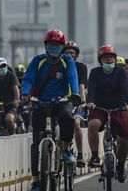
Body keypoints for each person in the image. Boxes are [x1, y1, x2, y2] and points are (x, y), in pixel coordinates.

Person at [21, 29, 80, 191]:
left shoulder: (67, 60)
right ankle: (37, 180)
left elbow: (72, 77)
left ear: (62, 46)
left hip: (62, 101)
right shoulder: (37, 61)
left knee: (68, 118)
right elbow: (28, 78)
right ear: (46, 46)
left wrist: (75, 94)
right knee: (36, 141)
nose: (54, 47)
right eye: (51, 44)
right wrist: (25, 93)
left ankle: (66, 149)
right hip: (40, 103)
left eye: (57, 45)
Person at [86, 45, 128, 183]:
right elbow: (92, 90)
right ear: (100, 60)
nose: (108, 60)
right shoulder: (95, 72)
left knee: (124, 138)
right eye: (105, 58)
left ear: (114, 59)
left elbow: (125, 90)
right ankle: (95, 156)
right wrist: (90, 102)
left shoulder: (121, 72)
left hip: (118, 108)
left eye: (111, 58)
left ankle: (120, 167)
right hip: (99, 107)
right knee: (93, 125)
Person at [64, 41, 88, 167]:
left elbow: (81, 85)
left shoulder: (81, 67)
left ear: (77, 55)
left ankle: (79, 155)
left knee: (77, 124)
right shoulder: (60, 66)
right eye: (66, 53)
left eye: (72, 53)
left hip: (76, 102)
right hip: (61, 101)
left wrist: (83, 102)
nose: (69, 55)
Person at [14, 63, 32, 133]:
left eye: (21, 74)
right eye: (18, 74)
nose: (20, 77)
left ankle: (28, 129)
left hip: (27, 104)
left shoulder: (28, 82)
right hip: (15, 104)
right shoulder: (13, 83)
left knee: (27, 114)